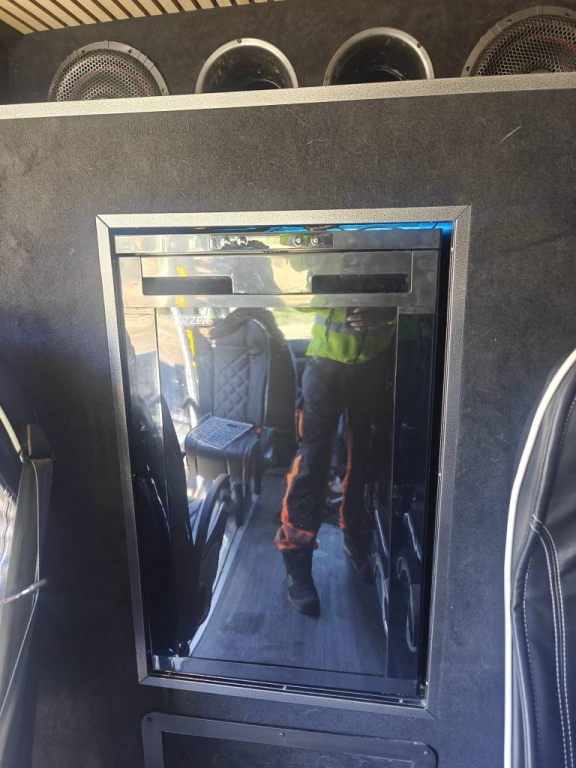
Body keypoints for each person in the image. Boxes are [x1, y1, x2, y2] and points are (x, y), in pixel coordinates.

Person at [275, 306, 395, 616]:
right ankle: (297, 561)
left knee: (363, 460)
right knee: (312, 464)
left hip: (376, 365)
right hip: (325, 364)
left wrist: (388, 311)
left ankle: (356, 534)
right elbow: (298, 288)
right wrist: (341, 292)